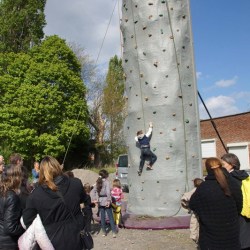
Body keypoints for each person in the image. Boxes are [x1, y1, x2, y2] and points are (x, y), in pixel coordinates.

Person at [22, 156, 89, 250]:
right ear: (58, 167)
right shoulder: (76, 183)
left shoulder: (36, 195)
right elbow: (86, 201)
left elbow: (27, 220)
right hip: (70, 239)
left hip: (58, 240)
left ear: (42, 171)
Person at [189, 157, 242, 250]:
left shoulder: (203, 188)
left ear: (207, 169)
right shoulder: (232, 183)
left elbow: (192, 205)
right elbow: (239, 205)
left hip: (210, 237)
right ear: (221, 167)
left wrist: (204, 214)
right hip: (231, 233)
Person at [221, 153, 250, 250]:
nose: (222, 167)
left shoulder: (230, 179)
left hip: (236, 212)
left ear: (232, 164)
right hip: (247, 211)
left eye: (223, 164)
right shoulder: (245, 176)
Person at [0, 164, 25, 249]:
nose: (21, 179)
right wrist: (24, 227)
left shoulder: (2, 192)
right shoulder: (12, 197)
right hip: (7, 243)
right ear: (15, 178)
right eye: (20, 176)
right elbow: (10, 227)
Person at [92, 169, 117, 238]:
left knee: (102, 217)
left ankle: (104, 232)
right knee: (110, 217)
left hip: (100, 201)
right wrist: (109, 200)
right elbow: (108, 192)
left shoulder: (97, 182)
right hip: (106, 200)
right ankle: (114, 232)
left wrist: (95, 200)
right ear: (106, 175)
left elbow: (93, 191)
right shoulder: (106, 182)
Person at [181, 178, 204, 244]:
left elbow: (184, 199)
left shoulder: (194, 191)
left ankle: (197, 240)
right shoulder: (205, 190)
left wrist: (188, 206)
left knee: (195, 227)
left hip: (197, 212)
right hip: (202, 212)